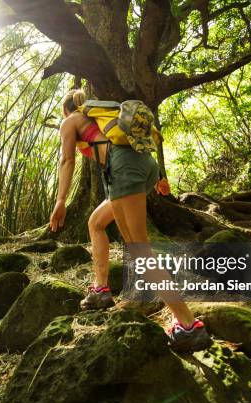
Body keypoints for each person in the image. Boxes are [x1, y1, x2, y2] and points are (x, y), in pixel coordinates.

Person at [49, 89, 212, 352]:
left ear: (66, 109)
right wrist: (158, 176)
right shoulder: (101, 116)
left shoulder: (71, 120)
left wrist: (60, 201)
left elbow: (67, 159)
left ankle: (188, 325)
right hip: (142, 165)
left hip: (124, 167)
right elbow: (134, 143)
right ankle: (101, 290)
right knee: (96, 222)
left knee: (140, 251)